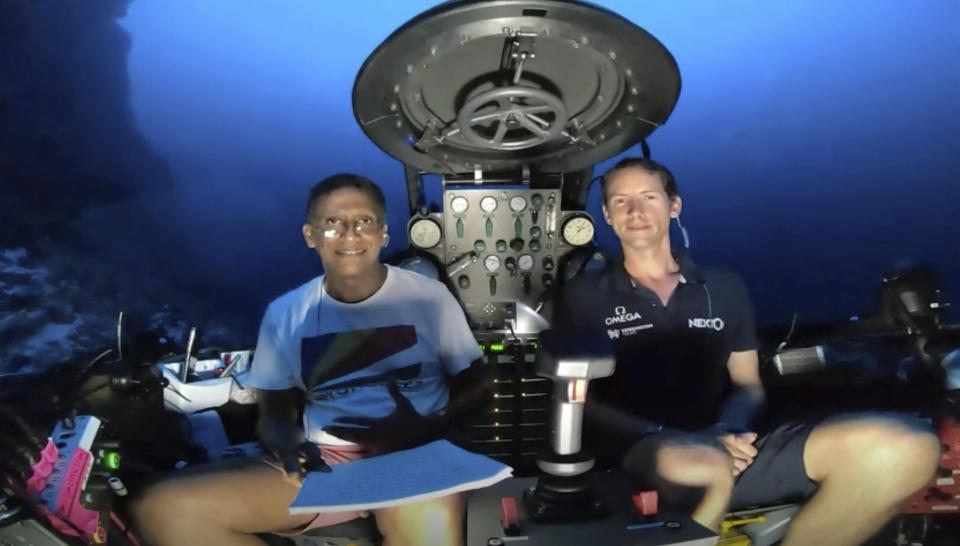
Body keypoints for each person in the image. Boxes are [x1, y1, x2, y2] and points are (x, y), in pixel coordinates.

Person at [552, 157, 940, 544]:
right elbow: (580, 398)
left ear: (674, 206)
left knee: (909, 446)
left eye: (648, 197)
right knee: (708, 465)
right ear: (605, 213)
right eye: (620, 201)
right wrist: (668, 435)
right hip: (642, 452)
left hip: (733, 444)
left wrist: (727, 430)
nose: (635, 211)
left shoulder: (723, 287)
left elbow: (748, 384)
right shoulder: (583, 296)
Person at [133, 173, 491, 546]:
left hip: (416, 452)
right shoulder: (285, 313)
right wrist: (287, 446)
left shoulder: (429, 297)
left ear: (383, 233)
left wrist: (429, 426)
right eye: (333, 223)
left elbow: (478, 382)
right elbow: (275, 408)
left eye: (364, 221)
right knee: (162, 509)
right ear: (310, 236)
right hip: (327, 462)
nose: (350, 234)